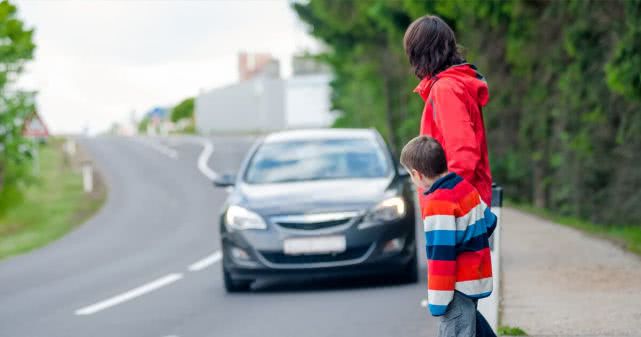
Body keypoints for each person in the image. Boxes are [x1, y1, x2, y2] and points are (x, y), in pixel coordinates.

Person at [400, 136, 497, 337]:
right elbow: (489, 220)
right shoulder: (464, 186)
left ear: (417, 174)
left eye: (410, 174)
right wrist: (469, 241)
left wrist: (438, 300)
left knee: (457, 329)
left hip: (455, 287)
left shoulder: (437, 204)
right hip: (474, 278)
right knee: (470, 327)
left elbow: (441, 256)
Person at [403, 15, 492, 207]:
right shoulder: (454, 84)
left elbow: (463, 156)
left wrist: (443, 203)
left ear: (418, 53)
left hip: (456, 208)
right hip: (462, 203)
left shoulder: (446, 89)